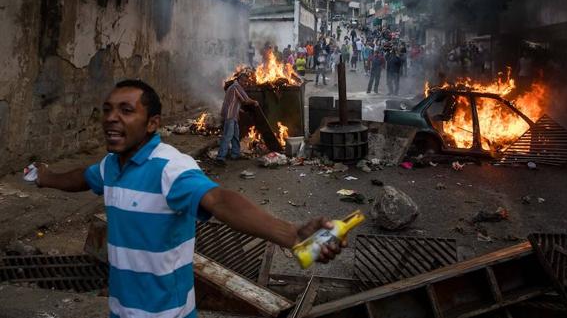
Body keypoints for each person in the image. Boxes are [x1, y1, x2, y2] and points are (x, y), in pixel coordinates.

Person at [33, 79, 344, 318]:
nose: (111, 118)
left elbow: (220, 200)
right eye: (108, 110)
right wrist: (47, 178)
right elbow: (84, 177)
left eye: (126, 111)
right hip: (121, 309)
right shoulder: (111, 166)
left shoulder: (170, 168)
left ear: (152, 123)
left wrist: (290, 233)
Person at [217, 73, 259, 165]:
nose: (245, 84)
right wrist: (255, 102)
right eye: (244, 81)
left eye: (246, 82)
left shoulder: (232, 87)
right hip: (230, 115)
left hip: (233, 115)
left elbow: (233, 101)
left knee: (235, 135)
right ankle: (220, 157)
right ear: (240, 80)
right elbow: (246, 100)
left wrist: (239, 110)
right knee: (228, 136)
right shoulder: (236, 87)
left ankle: (235, 154)